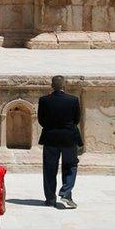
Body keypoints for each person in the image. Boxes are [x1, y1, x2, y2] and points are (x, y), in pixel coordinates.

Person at [38, 75, 82, 209]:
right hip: (69, 138)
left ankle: (50, 198)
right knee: (70, 166)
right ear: (64, 86)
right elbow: (76, 119)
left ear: (52, 86)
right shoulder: (73, 100)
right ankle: (66, 193)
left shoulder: (44, 100)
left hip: (50, 138)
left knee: (49, 168)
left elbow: (41, 120)